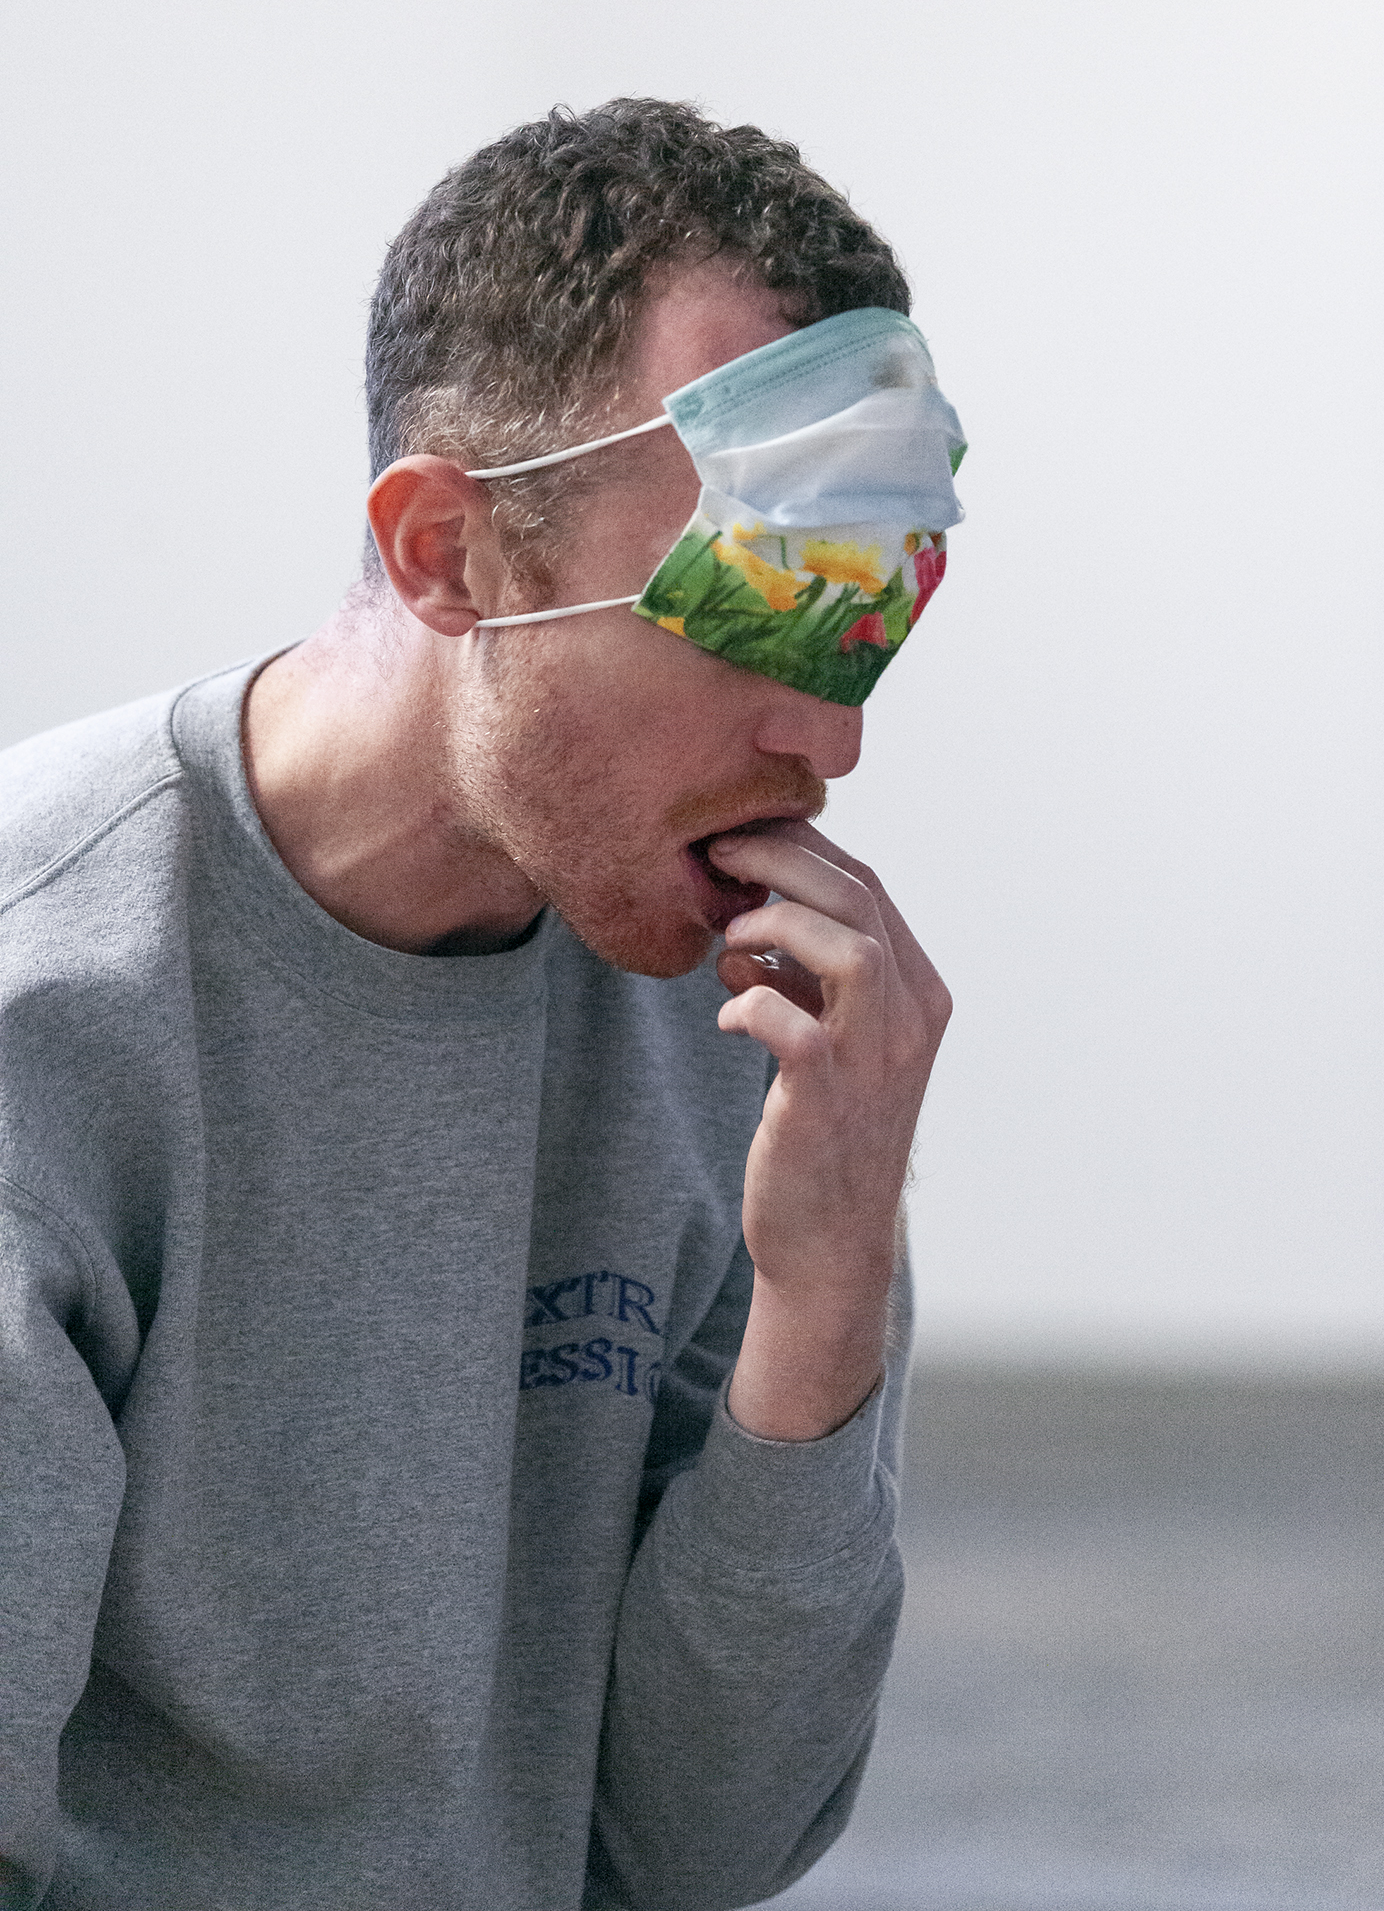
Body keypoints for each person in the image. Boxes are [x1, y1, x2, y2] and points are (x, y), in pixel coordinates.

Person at [0, 99, 962, 1911]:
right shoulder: (45, 1010)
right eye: (760, 606)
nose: (831, 740)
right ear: (447, 551)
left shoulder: (744, 1033)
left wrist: (823, 1297)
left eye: (873, 621)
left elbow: (702, 1845)